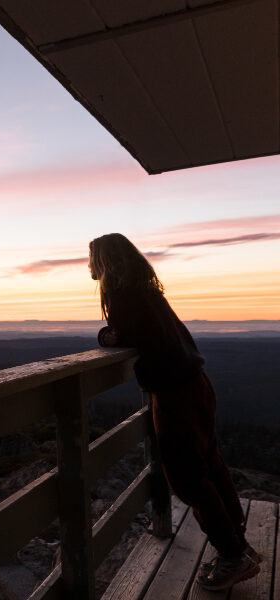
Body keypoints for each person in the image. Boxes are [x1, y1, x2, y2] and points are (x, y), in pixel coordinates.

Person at [88, 233, 261, 591]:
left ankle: (232, 554)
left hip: (174, 394)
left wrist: (106, 337)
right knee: (210, 463)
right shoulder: (147, 292)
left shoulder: (122, 297)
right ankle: (238, 541)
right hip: (197, 382)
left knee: (186, 477)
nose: (88, 266)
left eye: (91, 259)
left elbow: (123, 334)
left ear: (105, 262)